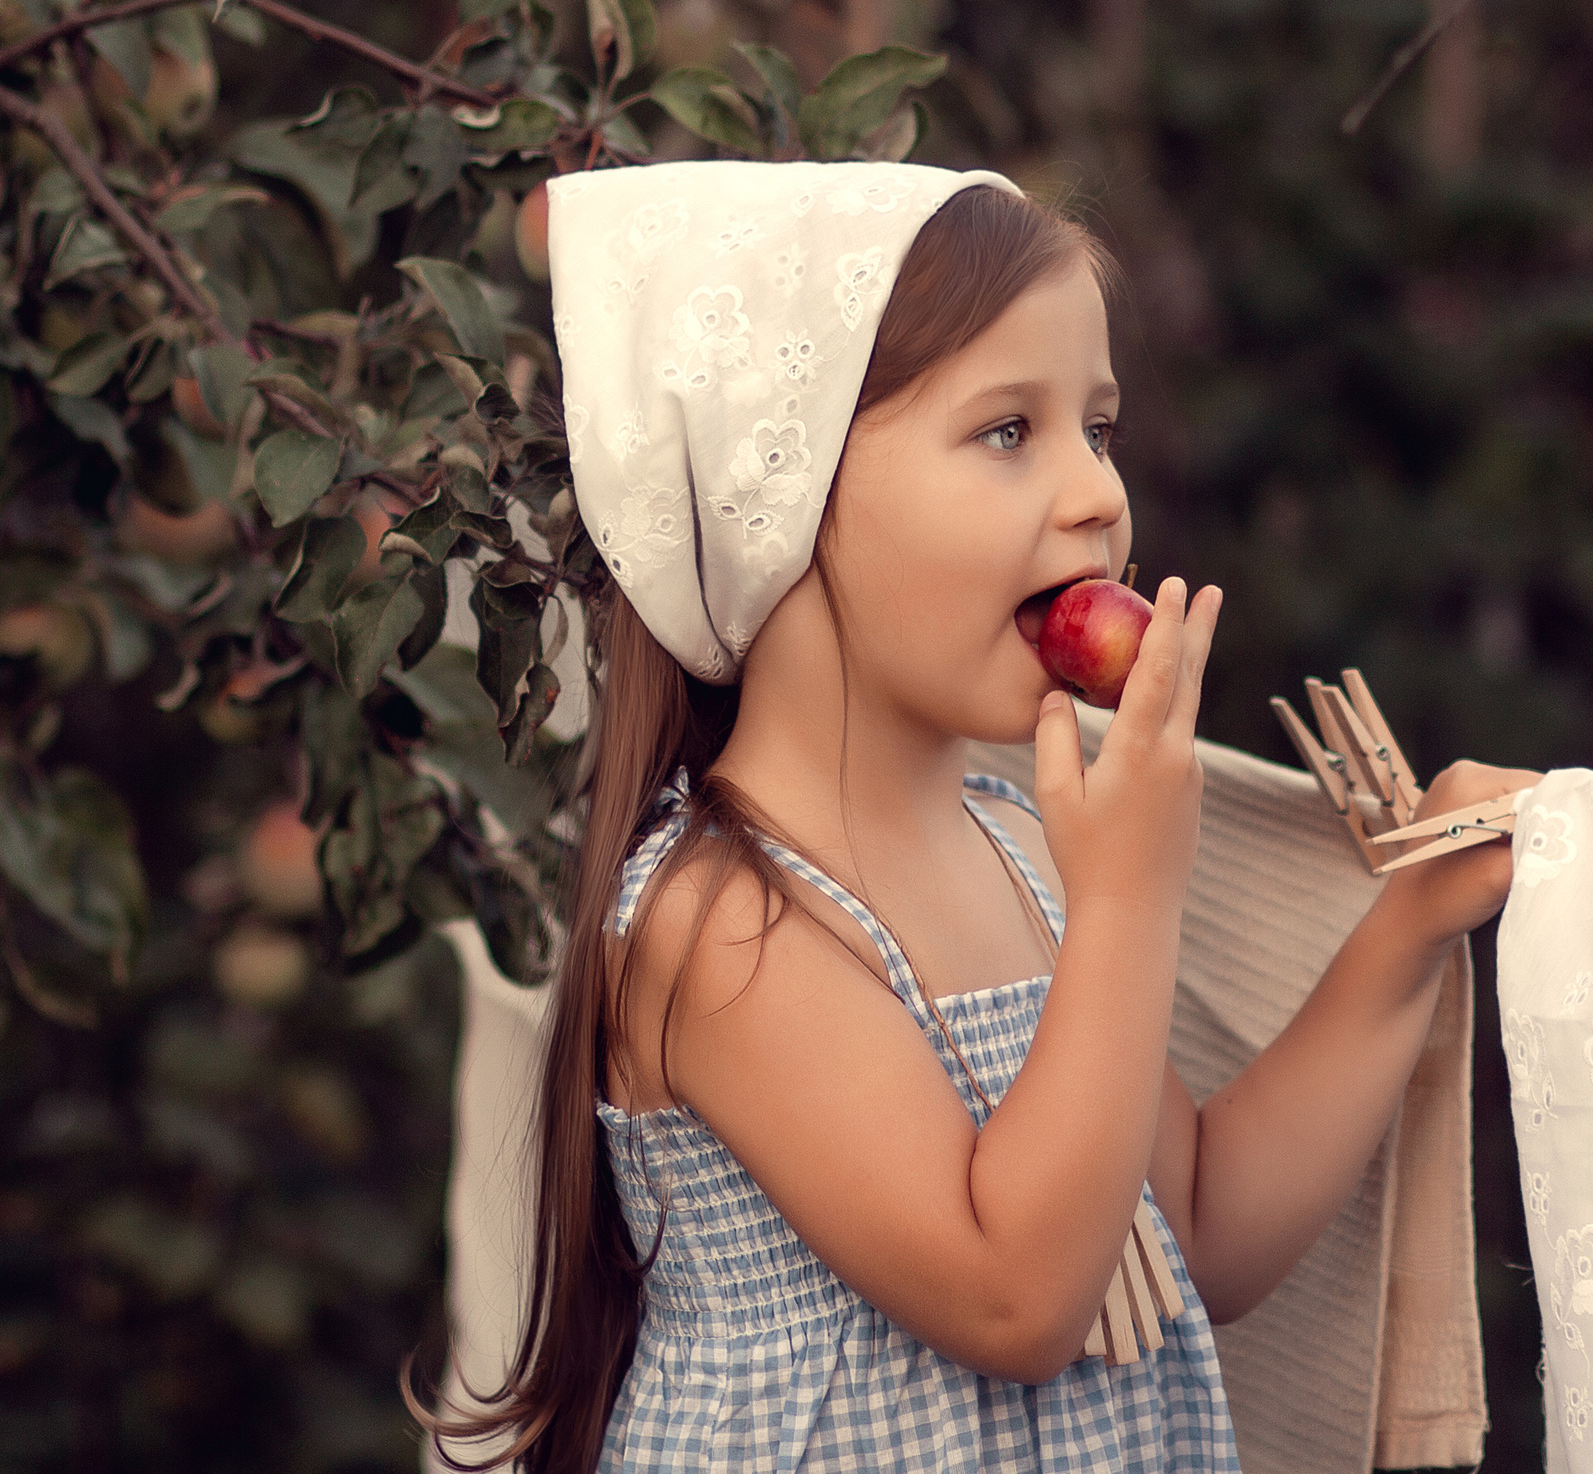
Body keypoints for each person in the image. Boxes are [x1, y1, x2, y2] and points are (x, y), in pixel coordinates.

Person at [413, 159, 1536, 1473]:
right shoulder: (722, 924)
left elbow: (1207, 1230)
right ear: (785, 498)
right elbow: (1016, 1295)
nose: (1098, 495)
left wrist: (1411, 923)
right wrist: (1128, 893)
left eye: (1097, 430)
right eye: (1010, 432)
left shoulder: (1016, 849)